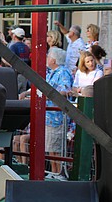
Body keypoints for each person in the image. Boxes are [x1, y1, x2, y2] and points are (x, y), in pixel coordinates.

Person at [20, 47, 73, 178]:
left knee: (57, 147)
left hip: (57, 117)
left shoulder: (63, 72)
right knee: (50, 147)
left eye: (49, 56)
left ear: (54, 60)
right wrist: (27, 93)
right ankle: (54, 171)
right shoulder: (51, 72)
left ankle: (59, 172)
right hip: (48, 117)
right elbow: (40, 87)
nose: (47, 59)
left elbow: (65, 91)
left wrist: (47, 95)